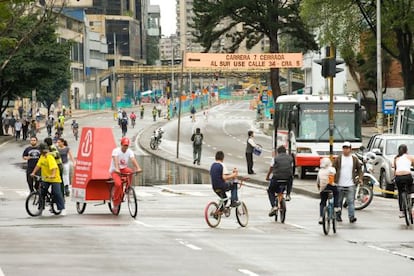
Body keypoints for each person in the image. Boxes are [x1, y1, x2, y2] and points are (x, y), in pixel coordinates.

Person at [30, 143, 66, 215]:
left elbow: (54, 167)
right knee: (41, 193)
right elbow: (38, 165)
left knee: (56, 193)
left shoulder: (49, 157)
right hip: (45, 178)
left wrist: (52, 175)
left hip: (54, 178)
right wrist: (33, 172)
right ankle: (40, 208)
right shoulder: (42, 157)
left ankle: (61, 208)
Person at [109, 137, 142, 212]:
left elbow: (133, 159)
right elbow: (116, 160)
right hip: (115, 170)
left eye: (127, 146)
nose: (125, 147)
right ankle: (115, 204)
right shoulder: (116, 151)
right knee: (118, 184)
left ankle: (128, 188)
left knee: (130, 171)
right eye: (124, 145)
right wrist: (117, 169)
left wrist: (138, 168)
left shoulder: (129, 151)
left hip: (123, 169)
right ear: (121, 145)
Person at [332, 141, 362, 223]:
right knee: (339, 201)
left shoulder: (354, 159)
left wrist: (360, 178)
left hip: (350, 184)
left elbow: (359, 169)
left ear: (350, 149)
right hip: (339, 184)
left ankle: (351, 217)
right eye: (344, 148)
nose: (345, 150)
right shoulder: (338, 159)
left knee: (351, 201)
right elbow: (333, 169)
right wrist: (332, 180)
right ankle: (338, 216)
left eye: (347, 148)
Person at [265, 146, 294, 216]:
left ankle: (274, 206)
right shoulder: (290, 158)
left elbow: (271, 168)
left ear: (278, 152)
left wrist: (267, 176)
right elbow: (292, 167)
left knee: (270, 190)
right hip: (287, 178)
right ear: (285, 151)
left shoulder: (275, 158)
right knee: (289, 180)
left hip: (277, 178)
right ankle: (288, 195)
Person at [316, 157, 340, 224]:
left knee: (322, 202)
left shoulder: (320, 171)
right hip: (330, 186)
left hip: (322, 189)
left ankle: (321, 217)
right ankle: (336, 206)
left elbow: (318, 181)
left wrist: (319, 188)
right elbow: (333, 179)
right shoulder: (332, 169)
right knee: (336, 193)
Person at [393, 144, 414, 218]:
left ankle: (401, 211)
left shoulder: (396, 158)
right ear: (406, 150)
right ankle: (412, 198)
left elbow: (395, 169)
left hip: (398, 177)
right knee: (411, 188)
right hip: (407, 176)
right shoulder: (410, 157)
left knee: (400, 193)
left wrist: (394, 178)